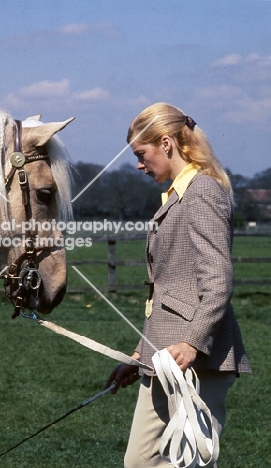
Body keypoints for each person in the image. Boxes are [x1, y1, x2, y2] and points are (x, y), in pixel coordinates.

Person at [105, 102, 252, 467]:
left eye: (142, 154)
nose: (139, 164)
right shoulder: (177, 196)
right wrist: (139, 354)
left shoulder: (202, 192)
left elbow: (217, 279)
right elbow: (169, 289)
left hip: (198, 358)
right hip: (162, 357)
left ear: (167, 143)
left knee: (192, 462)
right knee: (140, 461)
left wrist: (193, 341)